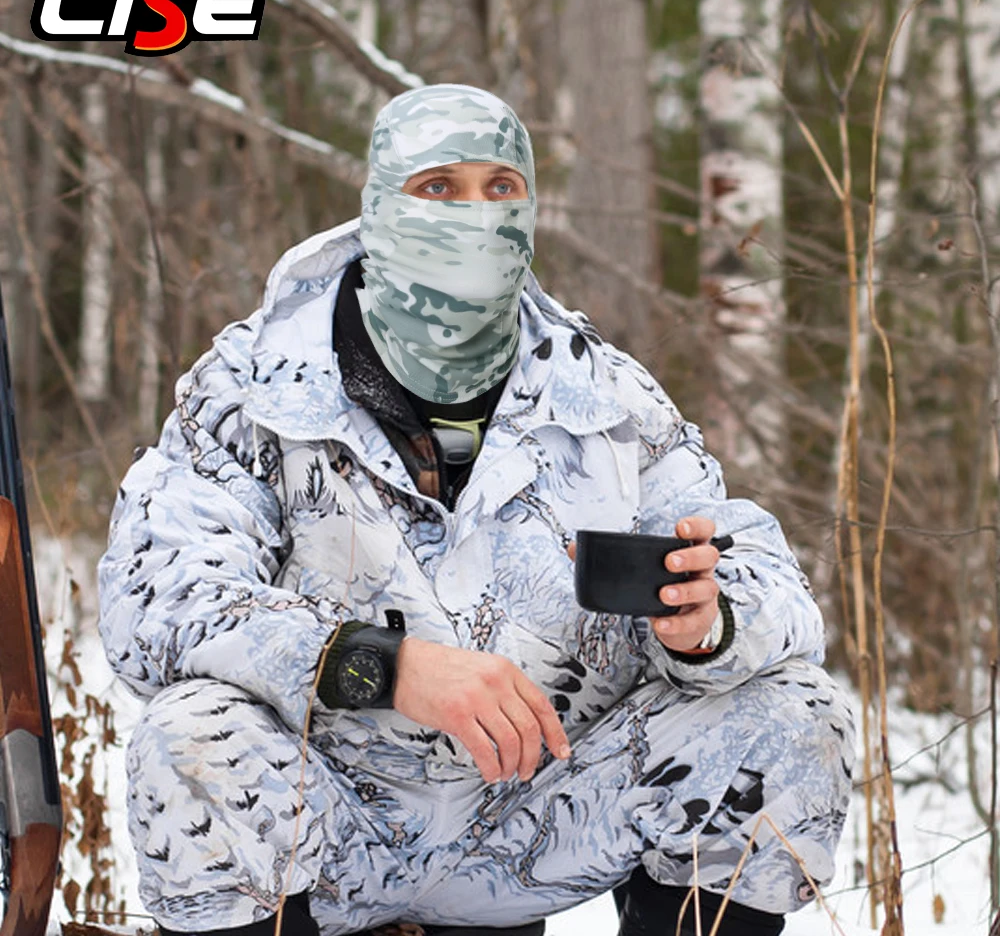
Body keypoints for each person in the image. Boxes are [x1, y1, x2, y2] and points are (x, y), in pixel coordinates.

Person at [98, 84, 855, 936]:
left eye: (501, 187)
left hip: (538, 817)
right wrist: (385, 667)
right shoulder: (257, 384)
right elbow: (155, 598)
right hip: (333, 816)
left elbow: (765, 577)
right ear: (380, 206)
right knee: (189, 736)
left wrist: (709, 621)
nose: (475, 214)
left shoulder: (603, 392)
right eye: (438, 187)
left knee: (793, 714)